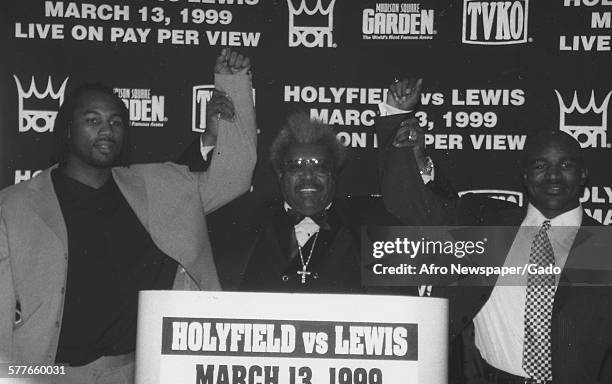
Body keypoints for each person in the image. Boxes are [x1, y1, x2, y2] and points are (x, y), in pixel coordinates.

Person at [0, 48, 256, 383]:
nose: (106, 130)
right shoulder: (15, 205)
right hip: (46, 374)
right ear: (66, 129)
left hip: (137, 371)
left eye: (115, 122)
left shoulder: (156, 186)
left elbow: (234, 177)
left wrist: (232, 85)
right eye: (92, 120)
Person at [375, 96, 612, 383]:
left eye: (565, 165)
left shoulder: (604, 246)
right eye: (540, 166)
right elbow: (411, 206)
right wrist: (400, 125)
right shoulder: (487, 226)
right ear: (524, 176)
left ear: (584, 174)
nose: (553, 176)